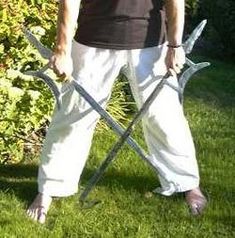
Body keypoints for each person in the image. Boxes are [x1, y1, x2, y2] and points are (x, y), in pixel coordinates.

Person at [27, 0, 207, 224]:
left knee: (165, 118)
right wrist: (62, 49)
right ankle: (49, 187)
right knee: (72, 118)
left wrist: (175, 45)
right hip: (93, 40)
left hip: (150, 44)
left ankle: (187, 183)